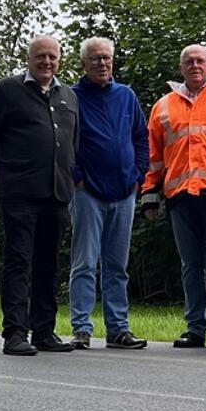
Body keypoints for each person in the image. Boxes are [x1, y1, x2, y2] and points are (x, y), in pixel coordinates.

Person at [0, 35, 81, 356]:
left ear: (59, 60)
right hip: (19, 193)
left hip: (57, 192)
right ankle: (15, 333)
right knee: (19, 260)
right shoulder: (7, 91)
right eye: (41, 57)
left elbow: (73, 141)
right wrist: (8, 169)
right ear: (29, 58)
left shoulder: (69, 97)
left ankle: (45, 331)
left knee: (48, 265)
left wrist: (67, 171)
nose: (47, 62)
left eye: (53, 57)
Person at [139, 43, 206, 349]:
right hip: (180, 196)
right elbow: (154, 155)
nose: (195, 65)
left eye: (200, 60)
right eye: (189, 61)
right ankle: (195, 328)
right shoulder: (163, 105)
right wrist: (150, 190)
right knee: (190, 265)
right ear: (181, 67)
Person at [67, 37, 149, 349]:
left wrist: (138, 175)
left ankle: (118, 329)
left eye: (107, 58)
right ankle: (82, 329)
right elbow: (63, 141)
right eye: (96, 59)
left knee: (117, 266)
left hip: (124, 192)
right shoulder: (71, 97)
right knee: (85, 263)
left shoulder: (126, 95)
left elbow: (141, 137)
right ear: (83, 63)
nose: (103, 64)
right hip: (87, 193)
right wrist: (77, 178)